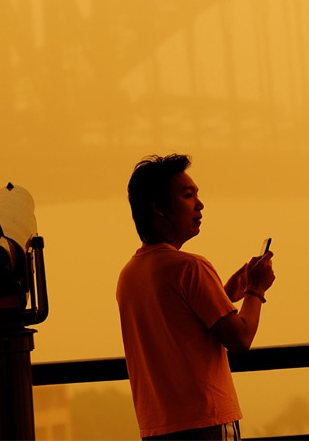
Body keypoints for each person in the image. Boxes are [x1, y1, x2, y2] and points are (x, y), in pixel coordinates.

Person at [116, 154, 275, 440]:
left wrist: (224, 294)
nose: (199, 204)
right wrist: (256, 289)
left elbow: (182, 325)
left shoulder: (129, 275)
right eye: (188, 195)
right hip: (207, 423)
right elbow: (240, 339)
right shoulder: (190, 267)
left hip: (157, 428)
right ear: (158, 207)